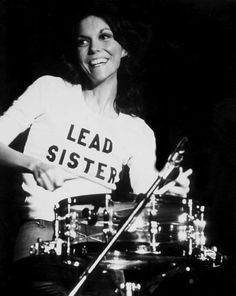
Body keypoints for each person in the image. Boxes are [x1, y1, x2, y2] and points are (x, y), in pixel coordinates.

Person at [0, 1, 192, 295]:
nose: (94, 49)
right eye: (83, 41)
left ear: (124, 47)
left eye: (105, 36)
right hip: (43, 231)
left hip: (100, 244)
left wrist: (168, 190)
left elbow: (143, 196)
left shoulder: (137, 130)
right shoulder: (50, 90)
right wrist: (33, 164)